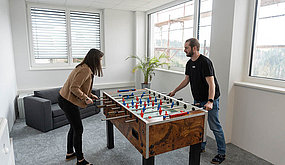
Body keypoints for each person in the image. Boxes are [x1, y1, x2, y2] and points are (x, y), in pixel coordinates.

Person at [168, 38, 226, 164]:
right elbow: (186, 80)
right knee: (200, 124)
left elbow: (212, 84)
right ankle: (201, 146)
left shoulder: (205, 62)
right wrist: (174, 91)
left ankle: (222, 153)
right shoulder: (189, 63)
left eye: (186, 48)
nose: (184, 50)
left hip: (210, 99)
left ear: (194, 48)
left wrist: (210, 101)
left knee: (214, 126)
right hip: (198, 99)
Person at [58, 48, 104, 165]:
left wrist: (90, 95)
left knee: (73, 127)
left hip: (64, 99)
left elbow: (82, 86)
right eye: (100, 59)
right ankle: (80, 160)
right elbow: (74, 88)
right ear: (95, 60)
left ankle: (70, 153)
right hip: (68, 101)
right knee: (78, 129)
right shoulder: (85, 70)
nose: (100, 62)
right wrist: (85, 98)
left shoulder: (84, 67)